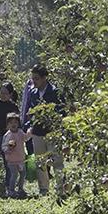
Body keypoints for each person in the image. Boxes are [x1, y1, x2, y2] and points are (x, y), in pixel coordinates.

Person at [24, 64, 65, 196]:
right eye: (32, 78)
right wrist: (30, 126)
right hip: (38, 132)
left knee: (57, 161)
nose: (33, 81)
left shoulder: (54, 92)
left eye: (36, 78)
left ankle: (61, 189)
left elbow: (62, 112)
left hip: (53, 131)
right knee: (40, 162)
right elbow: (30, 112)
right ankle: (44, 189)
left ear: (44, 78)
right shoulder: (33, 93)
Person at [1, 113, 33, 198]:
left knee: (23, 174)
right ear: (7, 125)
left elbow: (25, 138)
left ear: (18, 124)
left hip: (21, 159)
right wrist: (9, 148)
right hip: (11, 160)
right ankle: (11, 190)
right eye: (11, 123)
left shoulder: (20, 132)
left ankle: (20, 189)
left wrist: (29, 132)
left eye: (15, 122)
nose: (13, 124)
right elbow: (3, 147)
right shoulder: (7, 135)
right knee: (14, 175)